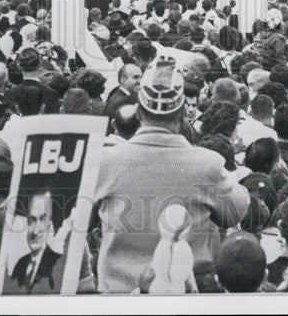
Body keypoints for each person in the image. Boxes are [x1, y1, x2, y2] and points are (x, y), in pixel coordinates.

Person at [93, 58, 250, 293]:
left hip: (118, 296)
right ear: (183, 112)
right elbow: (236, 210)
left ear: (137, 112)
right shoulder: (206, 164)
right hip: (185, 296)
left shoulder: (105, 161)